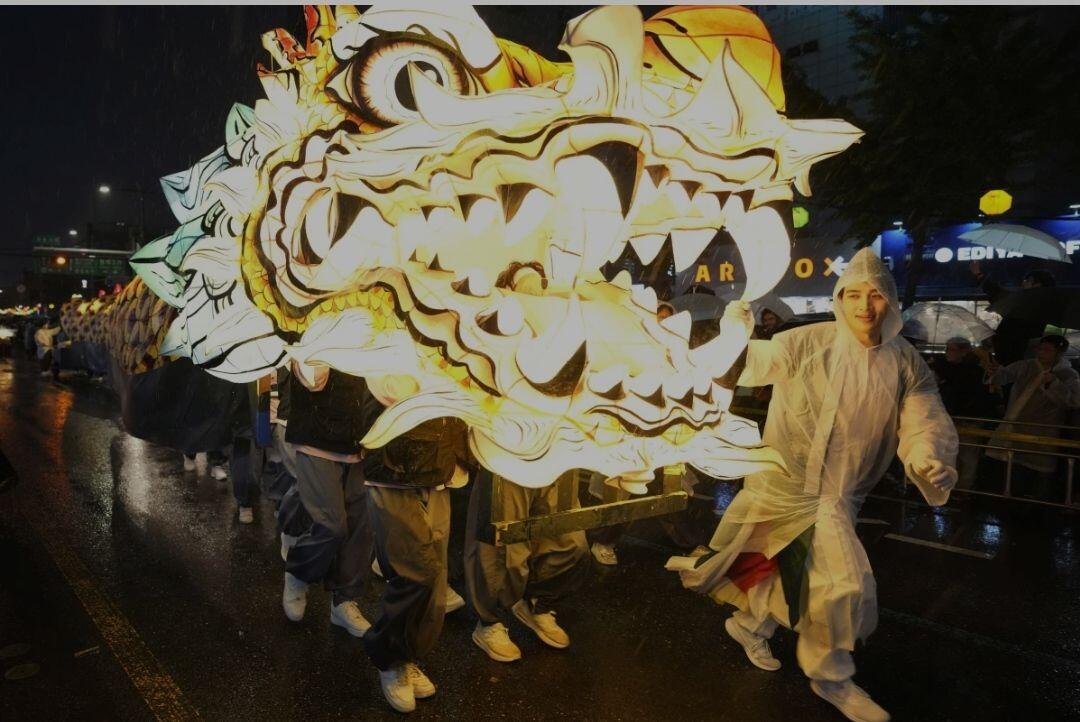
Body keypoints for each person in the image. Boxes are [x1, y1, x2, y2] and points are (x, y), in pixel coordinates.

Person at [668, 249, 958, 722]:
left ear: (891, 302)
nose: (866, 306)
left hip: (836, 498)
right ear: (840, 297)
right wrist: (731, 336)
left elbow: (924, 415)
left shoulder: (905, 362)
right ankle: (825, 674)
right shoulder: (809, 341)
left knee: (825, 580)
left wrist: (928, 457)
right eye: (855, 294)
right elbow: (747, 365)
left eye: (877, 295)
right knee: (779, 568)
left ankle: (790, 650)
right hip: (782, 482)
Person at [362, 402, 471, 714]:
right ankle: (389, 658)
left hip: (438, 467)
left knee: (435, 583)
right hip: (394, 468)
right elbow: (390, 389)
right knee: (414, 574)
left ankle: (405, 655)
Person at [280, 362, 375, 638]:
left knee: (361, 525)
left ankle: (344, 600)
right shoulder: (315, 323)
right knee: (331, 525)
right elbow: (312, 379)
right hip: (317, 436)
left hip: (363, 438)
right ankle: (299, 572)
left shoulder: (379, 321)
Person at [464, 466, 590, 663]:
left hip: (560, 453)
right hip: (508, 453)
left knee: (569, 540)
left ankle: (536, 603)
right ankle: (489, 622)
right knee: (501, 548)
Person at [985, 334, 1080, 500]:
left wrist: (1054, 384)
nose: (1042, 353)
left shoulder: (1068, 375)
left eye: (1047, 350)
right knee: (1016, 467)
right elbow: (1005, 376)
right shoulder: (1026, 366)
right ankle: (1017, 505)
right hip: (1018, 425)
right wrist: (995, 372)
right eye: (1040, 348)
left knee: (1041, 473)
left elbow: (1073, 401)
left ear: (1059, 353)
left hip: (1045, 429)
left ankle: (1039, 507)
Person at [970, 261, 1055, 365]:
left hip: (1014, 360)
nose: (1023, 282)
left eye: (1027, 280)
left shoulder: (1025, 303)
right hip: (1016, 358)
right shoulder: (1045, 306)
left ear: (1037, 285)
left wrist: (978, 274)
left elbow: (997, 292)